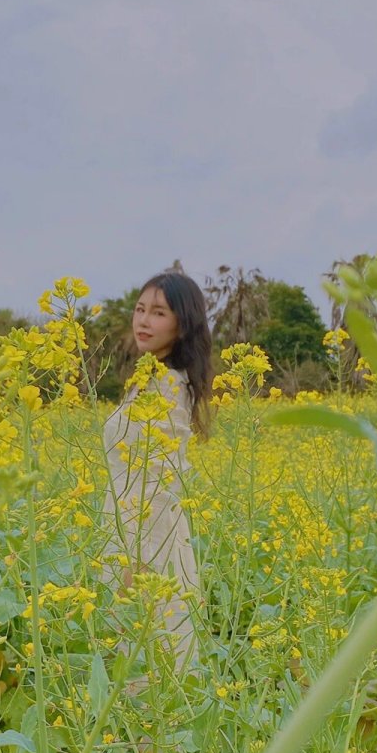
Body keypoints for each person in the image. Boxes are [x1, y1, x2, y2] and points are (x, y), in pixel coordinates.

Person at [99, 270, 212, 677]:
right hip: (128, 530)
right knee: (135, 663)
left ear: (183, 325)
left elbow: (161, 483)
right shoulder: (148, 378)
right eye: (140, 309)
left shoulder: (167, 386)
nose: (143, 321)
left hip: (148, 540)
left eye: (159, 313)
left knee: (149, 664)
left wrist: (139, 563)